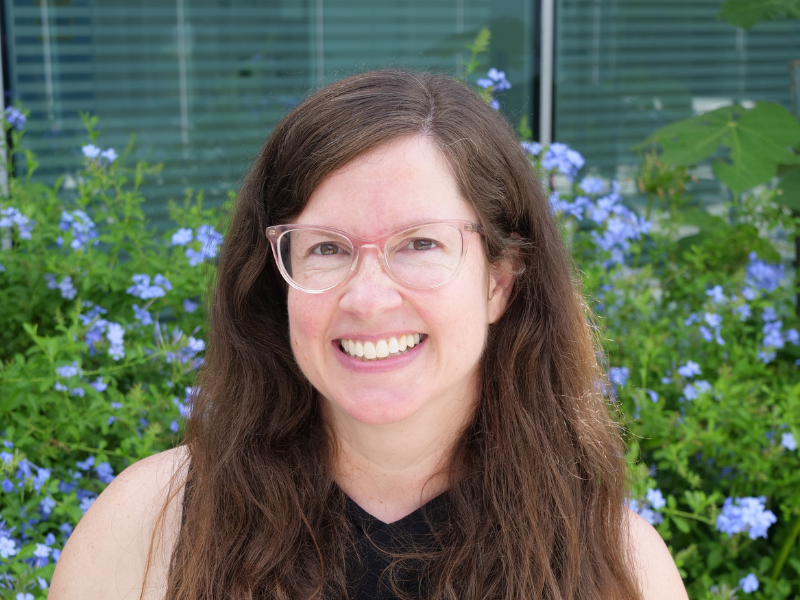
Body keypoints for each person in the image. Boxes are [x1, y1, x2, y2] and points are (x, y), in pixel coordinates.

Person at [50, 70, 687, 600]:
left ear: (499, 281)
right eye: (326, 248)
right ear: (281, 280)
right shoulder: (147, 529)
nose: (370, 298)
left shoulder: (616, 569)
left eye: (420, 243)